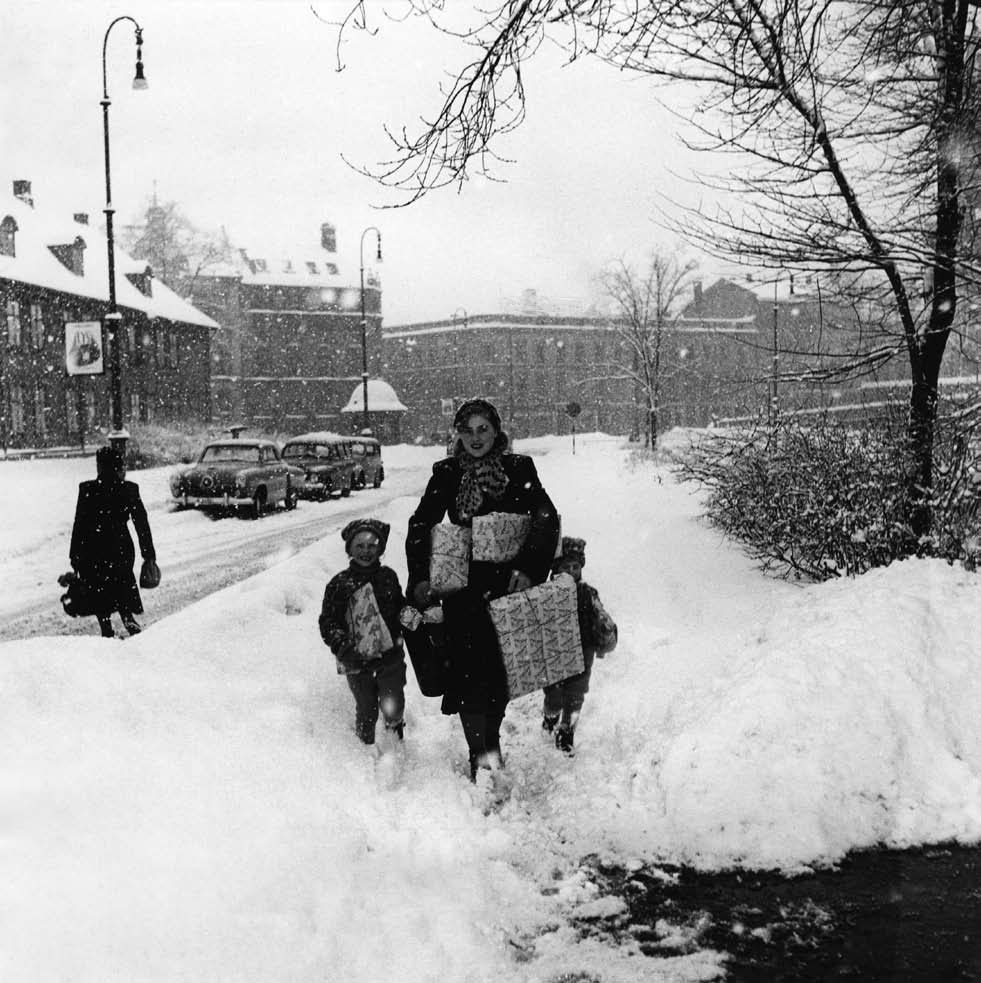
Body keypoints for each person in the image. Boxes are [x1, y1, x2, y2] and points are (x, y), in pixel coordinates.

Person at [405, 397, 560, 780]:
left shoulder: (518, 468)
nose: (476, 438)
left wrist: (529, 568)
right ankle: (482, 753)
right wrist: (421, 577)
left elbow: (545, 517)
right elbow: (421, 523)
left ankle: (491, 739)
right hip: (464, 591)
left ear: (497, 432)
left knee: (500, 677)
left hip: (507, 587)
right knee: (469, 676)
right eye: (467, 431)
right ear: (457, 435)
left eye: (483, 429)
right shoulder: (447, 473)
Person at [319, 518, 408, 747]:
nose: (366, 551)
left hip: (390, 656)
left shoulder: (388, 577)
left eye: (371, 546)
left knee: (393, 701)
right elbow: (328, 622)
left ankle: (395, 742)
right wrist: (342, 646)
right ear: (349, 549)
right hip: (356, 660)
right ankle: (364, 750)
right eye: (359, 546)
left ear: (380, 549)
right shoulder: (340, 584)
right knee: (366, 707)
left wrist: (419, 620)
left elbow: (400, 609)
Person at [69, 445, 156, 639]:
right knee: (122, 582)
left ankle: (106, 627)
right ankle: (127, 617)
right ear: (118, 467)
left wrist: (74, 557)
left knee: (99, 587)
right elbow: (141, 524)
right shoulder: (128, 489)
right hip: (121, 546)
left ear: (100, 466)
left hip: (93, 547)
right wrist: (148, 554)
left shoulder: (88, 489)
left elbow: (79, 524)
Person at [542, 537, 619, 753]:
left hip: (583, 652)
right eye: (566, 567)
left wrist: (606, 632)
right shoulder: (546, 593)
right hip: (554, 653)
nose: (571, 571)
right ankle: (550, 716)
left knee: (575, 695)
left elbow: (601, 617)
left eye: (576, 567)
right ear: (556, 569)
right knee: (554, 695)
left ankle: (566, 733)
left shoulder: (587, 593)